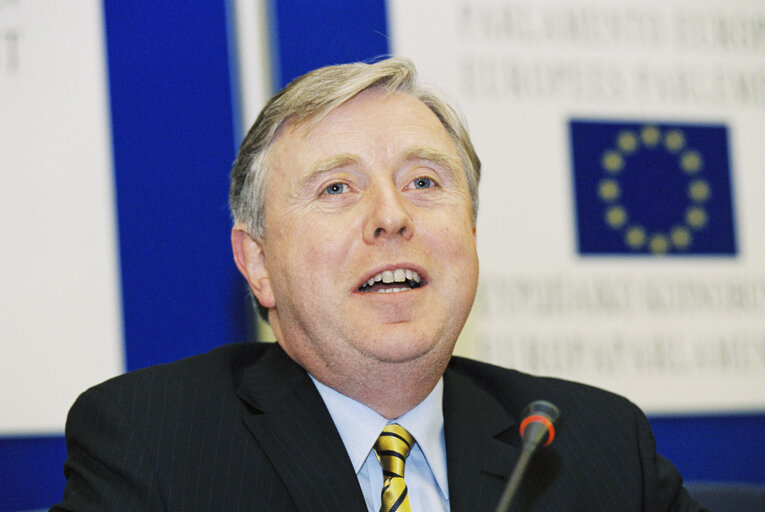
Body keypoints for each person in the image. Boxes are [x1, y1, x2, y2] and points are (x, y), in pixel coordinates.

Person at [52, 57, 706, 511]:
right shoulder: (151, 439)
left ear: (471, 232)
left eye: (424, 182)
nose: (392, 216)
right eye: (337, 188)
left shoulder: (595, 443)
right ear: (257, 263)